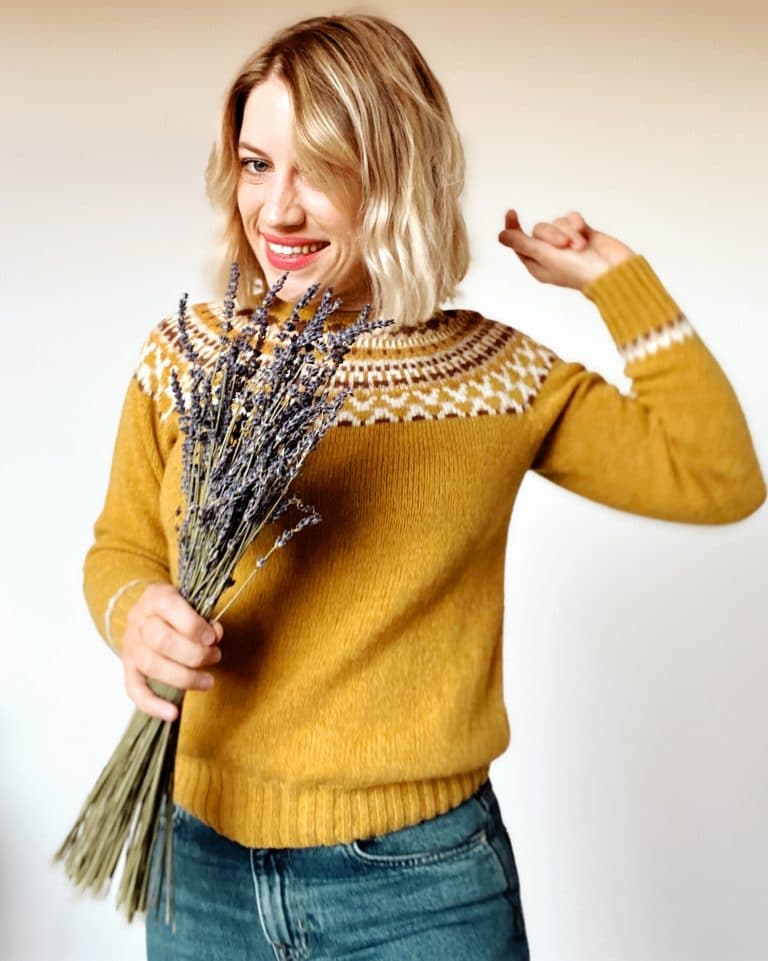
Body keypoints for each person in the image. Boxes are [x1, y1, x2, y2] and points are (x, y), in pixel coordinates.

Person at [82, 13, 766, 961]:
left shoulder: (493, 376)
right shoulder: (188, 358)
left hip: (418, 892)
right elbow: (119, 546)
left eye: (318, 168)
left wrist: (616, 279)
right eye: (256, 164)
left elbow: (719, 476)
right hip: (197, 869)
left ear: (396, 175)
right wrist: (134, 611)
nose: (277, 211)